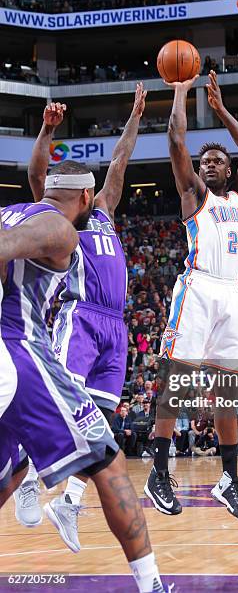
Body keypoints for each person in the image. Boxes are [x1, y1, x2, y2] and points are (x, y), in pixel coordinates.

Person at [0, 179, 163, 591]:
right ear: (86, 198)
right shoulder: (61, 228)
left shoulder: (11, 210)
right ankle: (152, 586)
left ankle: (36, 475)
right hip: (18, 350)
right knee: (110, 464)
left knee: (4, 477)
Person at [14, 84, 147, 553]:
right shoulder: (58, 218)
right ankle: (29, 480)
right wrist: (48, 130)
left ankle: (68, 501)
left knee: (103, 420)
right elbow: (36, 175)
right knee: (62, 406)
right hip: (80, 317)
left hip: (117, 325)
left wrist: (134, 115)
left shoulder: (104, 209)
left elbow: (120, 162)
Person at [144, 70, 238, 522]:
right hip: (197, 286)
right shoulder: (193, 194)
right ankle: (158, 469)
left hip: (231, 295)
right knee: (180, 379)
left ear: (227, 171)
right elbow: (176, 140)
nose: (207, 164)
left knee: (227, 391)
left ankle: (229, 478)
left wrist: (222, 111)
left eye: (215, 161)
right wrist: (180, 91)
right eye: (204, 160)